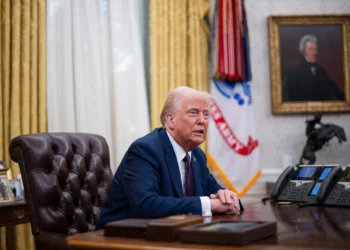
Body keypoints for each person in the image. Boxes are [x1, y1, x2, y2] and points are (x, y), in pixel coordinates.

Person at [96, 86, 243, 229]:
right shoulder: (145, 150)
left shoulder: (197, 155)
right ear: (170, 120)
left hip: (171, 235)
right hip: (119, 237)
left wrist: (228, 198)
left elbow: (214, 192)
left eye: (205, 115)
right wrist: (210, 205)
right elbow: (147, 205)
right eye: (193, 113)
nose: (202, 121)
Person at [283, 34, 345, 102]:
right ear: (303, 51)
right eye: (310, 49)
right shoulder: (295, 73)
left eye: (315, 49)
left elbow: (333, 88)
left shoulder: (321, 70)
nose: (313, 53)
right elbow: (293, 98)